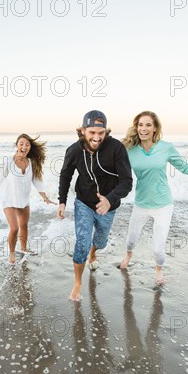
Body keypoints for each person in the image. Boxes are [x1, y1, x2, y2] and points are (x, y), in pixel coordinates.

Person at [118, 111, 188, 285]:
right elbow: (112, 168)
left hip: (163, 205)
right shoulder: (129, 150)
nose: (144, 129)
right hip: (141, 203)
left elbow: (186, 169)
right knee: (131, 240)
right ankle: (128, 256)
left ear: (155, 127)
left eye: (148, 125)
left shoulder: (166, 148)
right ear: (136, 127)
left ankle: (158, 270)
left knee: (158, 251)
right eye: (140, 125)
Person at [57, 110, 133, 301]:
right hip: (84, 202)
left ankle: (94, 253)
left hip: (109, 206)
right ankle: (77, 283)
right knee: (81, 242)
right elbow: (65, 175)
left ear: (106, 131)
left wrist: (110, 199)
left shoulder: (116, 148)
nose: (97, 138)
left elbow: (127, 182)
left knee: (100, 242)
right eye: (92, 132)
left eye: (101, 133)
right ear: (83, 130)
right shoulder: (74, 150)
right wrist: (62, 201)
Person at [0, 134, 56, 264]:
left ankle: (24, 248)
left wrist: (45, 197)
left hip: (23, 200)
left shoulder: (31, 163)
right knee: (14, 228)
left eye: (27, 144)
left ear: (30, 148)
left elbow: (37, 180)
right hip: (9, 200)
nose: (24, 147)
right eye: (21, 144)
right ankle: (12, 253)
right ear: (17, 146)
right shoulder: (8, 161)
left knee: (24, 226)